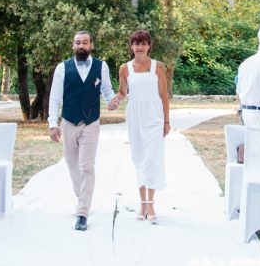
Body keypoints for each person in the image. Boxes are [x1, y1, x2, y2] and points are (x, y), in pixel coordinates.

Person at [48, 30, 119, 231]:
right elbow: (54, 98)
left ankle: (82, 213)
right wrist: (52, 124)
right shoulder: (62, 68)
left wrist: (111, 102)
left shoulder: (101, 66)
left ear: (91, 45)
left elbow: (107, 90)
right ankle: (83, 197)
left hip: (91, 123)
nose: (81, 46)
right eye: (78, 42)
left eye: (85, 42)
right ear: (73, 46)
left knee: (86, 166)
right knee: (72, 166)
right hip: (69, 122)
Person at [116, 30, 169, 223]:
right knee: (139, 158)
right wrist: (116, 100)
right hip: (135, 116)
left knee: (152, 158)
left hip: (154, 116)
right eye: (136, 43)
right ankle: (142, 204)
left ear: (149, 46)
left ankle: (151, 204)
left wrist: (166, 121)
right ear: (131, 46)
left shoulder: (158, 67)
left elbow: (164, 96)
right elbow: (122, 92)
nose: (140, 47)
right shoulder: (125, 68)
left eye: (143, 43)